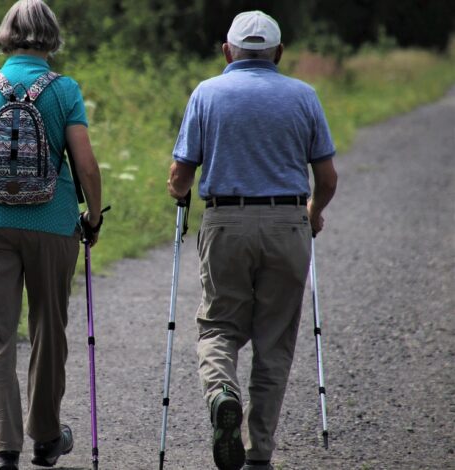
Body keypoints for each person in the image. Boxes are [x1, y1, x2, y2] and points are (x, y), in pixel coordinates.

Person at [167, 10, 338, 470]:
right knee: (274, 341)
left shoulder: (207, 93)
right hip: (288, 224)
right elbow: (326, 176)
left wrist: (178, 191)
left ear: (227, 51)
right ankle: (258, 453)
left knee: (219, 326)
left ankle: (223, 390)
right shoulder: (304, 96)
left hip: (226, 222)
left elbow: (182, 174)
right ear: (279, 53)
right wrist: (313, 213)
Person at [0, 1, 103, 469]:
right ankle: (46, 438)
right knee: (48, 331)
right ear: (50, 37)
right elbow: (85, 164)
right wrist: (92, 217)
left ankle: (4, 449)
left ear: (6, 35)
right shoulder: (65, 90)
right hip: (53, 224)